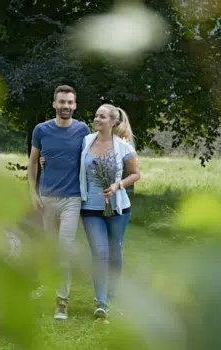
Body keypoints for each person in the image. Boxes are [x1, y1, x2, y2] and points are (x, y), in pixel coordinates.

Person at [27, 85, 90, 320]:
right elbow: (33, 162)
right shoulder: (41, 130)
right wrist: (32, 194)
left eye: (70, 102)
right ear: (54, 104)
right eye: (62, 102)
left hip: (72, 199)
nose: (66, 106)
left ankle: (62, 302)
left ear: (75, 105)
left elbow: (92, 157)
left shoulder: (83, 130)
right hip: (46, 199)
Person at [79, 103, 140, 318]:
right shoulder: (86, 141)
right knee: (99, 252)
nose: (96, 119)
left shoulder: (123, 147)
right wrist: (45, 160)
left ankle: (113, 290)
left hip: (118, 209)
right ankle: (101, 302)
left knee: (114, 251)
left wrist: (117, 185)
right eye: (96, 115)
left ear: (113, 122)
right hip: (90, 208)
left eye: (102, 117)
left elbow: (135, 174)